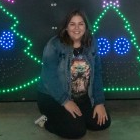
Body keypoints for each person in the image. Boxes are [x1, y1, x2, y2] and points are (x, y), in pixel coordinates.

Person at [36, 10, 111, 138]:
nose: (77, 28)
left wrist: (99, 102)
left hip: (81, 96)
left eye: (81, 24)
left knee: (102, 123)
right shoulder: (54, 45)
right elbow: (49, 78)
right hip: (53, 97)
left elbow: (97, 74)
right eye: (72, 24)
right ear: (66, 27)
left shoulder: (91, 43)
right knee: (76, 131)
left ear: (86, 27)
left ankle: (76, 117)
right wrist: (65, 101)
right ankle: (46, 121)